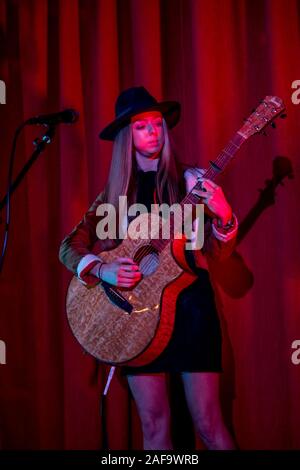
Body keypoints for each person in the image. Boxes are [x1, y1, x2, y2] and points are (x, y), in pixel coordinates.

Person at [59, 86, 238, 450]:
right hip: (136, 316)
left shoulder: (190, 182)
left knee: (208, 423)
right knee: (154, 425)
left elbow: (219, 252)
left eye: (157, 124)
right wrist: (101, 269)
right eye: (142, 126)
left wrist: (223, 212)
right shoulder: (113, 195)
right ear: (127, 135)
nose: (153, 131)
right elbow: (69, 246)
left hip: (191, 313)